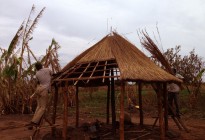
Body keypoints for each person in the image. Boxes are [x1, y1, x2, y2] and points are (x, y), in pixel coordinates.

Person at [26, 62, 53, 129]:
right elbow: (52, 74)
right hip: (44, 90)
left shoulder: (37, 73)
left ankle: (33, 121)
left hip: (38, 89)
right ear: (41, 66)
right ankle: (35, 122)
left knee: (39, 106)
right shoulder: (47, 69)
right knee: (43, 108)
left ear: (36, 68)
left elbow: (38, 82)